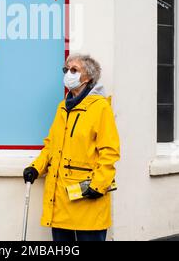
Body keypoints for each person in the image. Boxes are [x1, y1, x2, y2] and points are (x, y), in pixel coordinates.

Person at [23, 54, 120, 242]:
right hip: (60, 201)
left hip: (87, 199)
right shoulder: (62, 107)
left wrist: (98, 186)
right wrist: (36, 167)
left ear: (88, 78)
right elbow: (51, 145)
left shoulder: (100, 108)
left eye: (74, 70)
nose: (68, 74)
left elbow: (110, 151)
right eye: (66, 70)